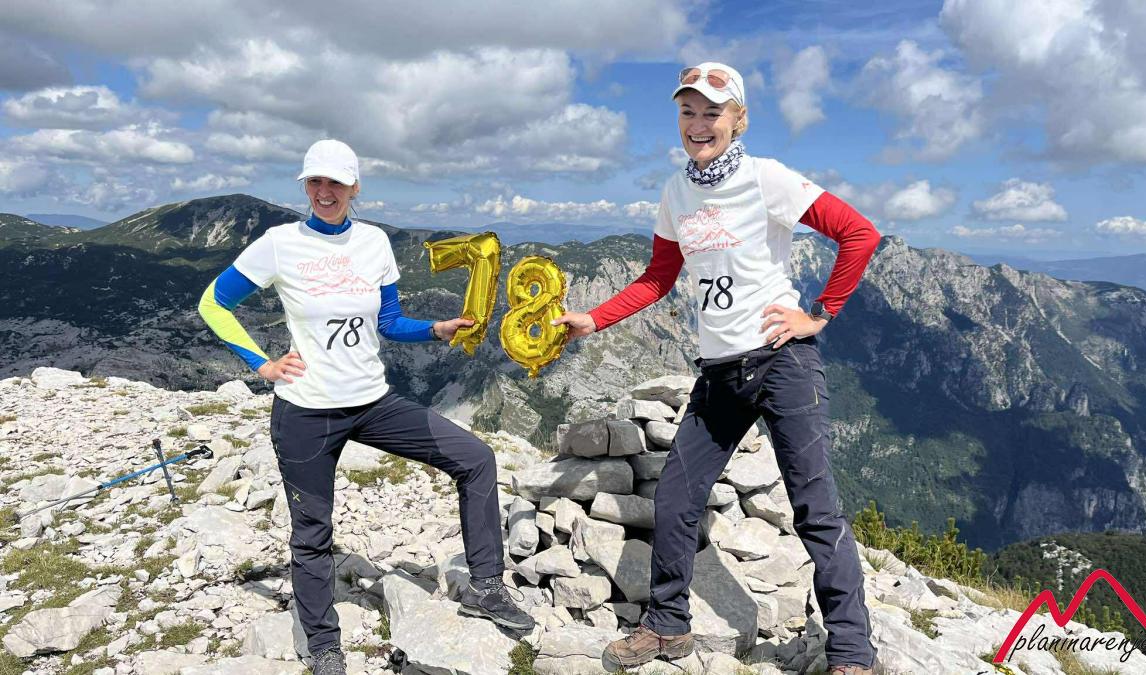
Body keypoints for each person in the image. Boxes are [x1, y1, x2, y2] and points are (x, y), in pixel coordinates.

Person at [553, 63, 882, 675]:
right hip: (720, 373)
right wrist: (594, 320)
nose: (698, 124)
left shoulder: (766, 178)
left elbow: (859, 234)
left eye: (713, 111)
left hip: (783, 362)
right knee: (677, 497)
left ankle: (853, 653)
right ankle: (667, 627)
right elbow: (658, 277)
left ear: (739, 119)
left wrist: (819, 314)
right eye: (688, 111)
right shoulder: (676, 191)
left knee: (816, 509)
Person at [197, 139, 534, 675]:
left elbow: (388, 322)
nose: (324, 192)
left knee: (475, 459)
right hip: (305, 410)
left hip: (373, 402)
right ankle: (325, 647)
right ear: (305, 186)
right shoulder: (280, 243)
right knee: (312, 533)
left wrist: (436, 329)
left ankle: (486, 587)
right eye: (315, 181)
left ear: (355, 187)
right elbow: (213, 303)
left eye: (335, 182)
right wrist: (261, 364)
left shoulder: (374, 242)